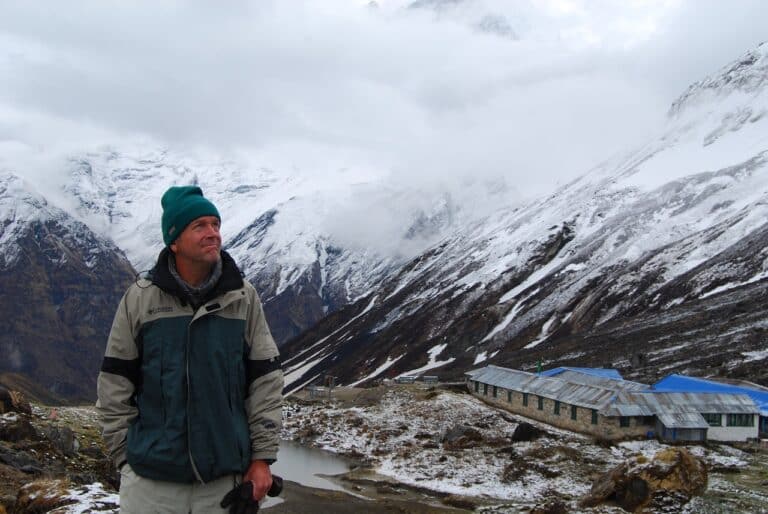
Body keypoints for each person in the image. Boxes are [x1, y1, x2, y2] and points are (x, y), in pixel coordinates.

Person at [96, 185, 283, 513]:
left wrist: (262, 459)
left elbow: (265, 380)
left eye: (215, 224)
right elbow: (114, 381)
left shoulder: (243, 298)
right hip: (151, 488)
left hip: (222, 489)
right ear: (174, 240)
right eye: (200, 226)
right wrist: (126, 456)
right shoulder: (140, 299)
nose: (213, 233)